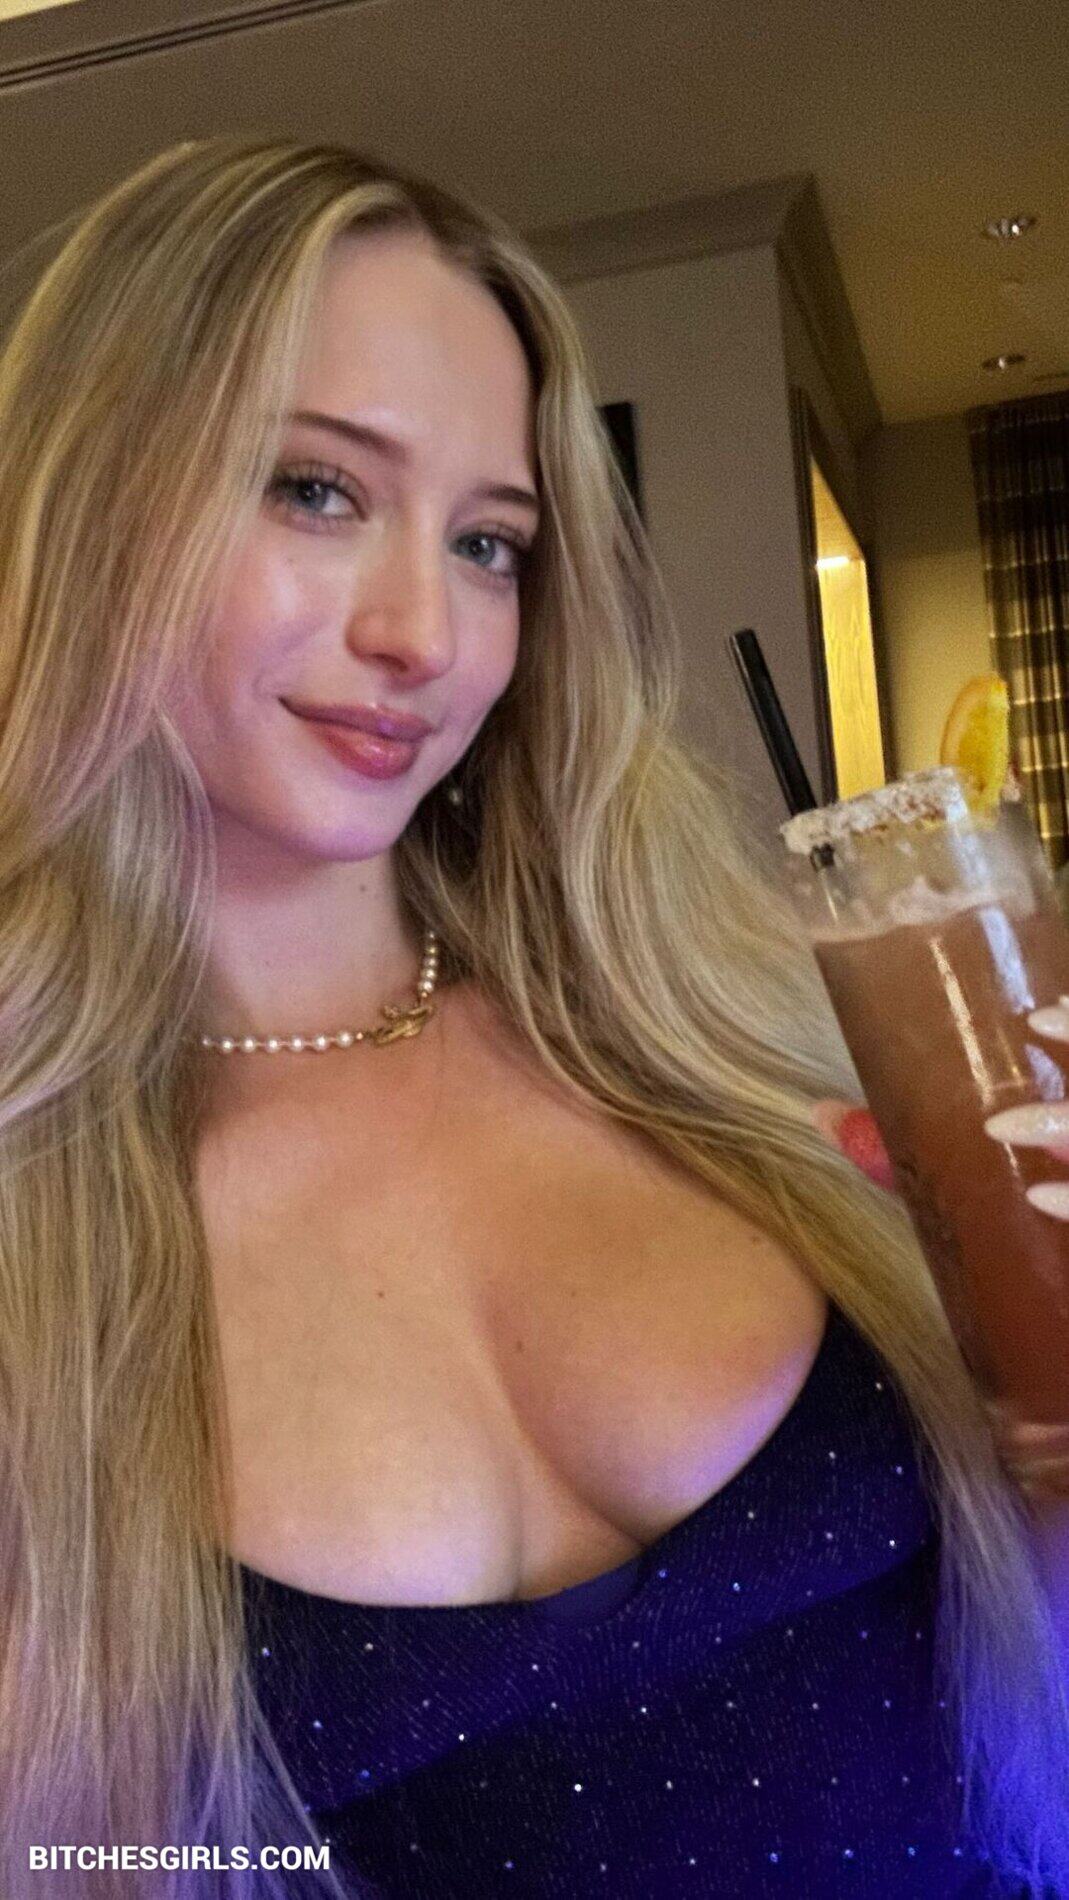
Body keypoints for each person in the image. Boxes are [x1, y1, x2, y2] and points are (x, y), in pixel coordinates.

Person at [0, 135, 1065, 1900]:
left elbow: (1017, 1720)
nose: (427, 632)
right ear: (86, 499)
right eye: (316, 490)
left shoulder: (739, 1042)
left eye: (490, 542)